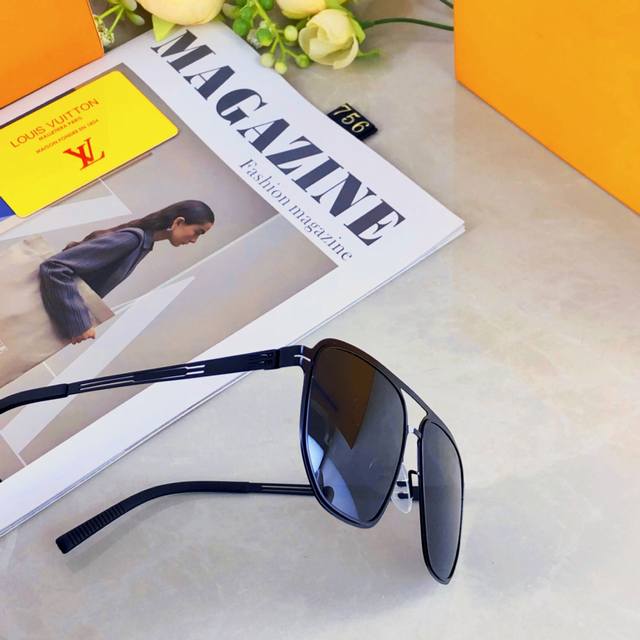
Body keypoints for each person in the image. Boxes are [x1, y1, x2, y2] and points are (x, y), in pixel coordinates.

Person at [39, 200, 215, 344]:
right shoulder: (131, 240)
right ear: (178, 222)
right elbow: (55, 267)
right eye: (197, 232)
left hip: (45, 312)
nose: (194, 240)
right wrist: (80, 323)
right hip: (41, 311)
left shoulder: (140, 244)